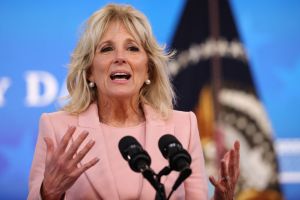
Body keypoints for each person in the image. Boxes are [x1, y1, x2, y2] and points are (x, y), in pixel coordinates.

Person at [28, 3, 240, 200]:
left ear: (148, 68)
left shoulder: (183, 127)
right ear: (90, 71)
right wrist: (48, 193)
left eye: (132, 48)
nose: (120, 57)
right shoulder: (58, 129)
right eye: (106, 49)